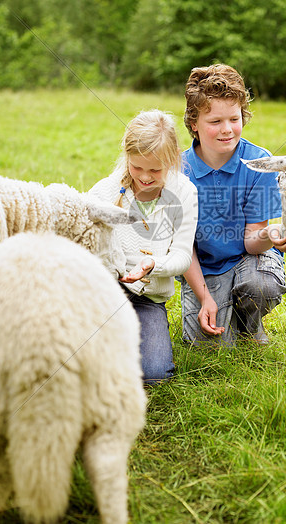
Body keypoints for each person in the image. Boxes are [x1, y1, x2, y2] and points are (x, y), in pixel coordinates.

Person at [180, 64, 286, 347]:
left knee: (261, 286)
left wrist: (272, 236)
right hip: (203, 267)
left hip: (249, 260)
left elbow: (251, 241)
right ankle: (220, 309)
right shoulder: (179, 171)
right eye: (215, 122)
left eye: (234, 119)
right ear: (194, 123)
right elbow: (183, 247)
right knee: (207, 344)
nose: (227, 130)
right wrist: (205, 298)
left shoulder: (258, 162)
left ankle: (250, 322)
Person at [90, 110, 198, 384]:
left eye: (155, 170)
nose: (145, 177)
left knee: (154, 375)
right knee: (92, 364)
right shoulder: (104, 192)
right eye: (137, 167)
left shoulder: (184, 192)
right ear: (127, 157)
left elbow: (183, 255)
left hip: (148, 298)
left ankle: (148, 334)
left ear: (173, 159)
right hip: (104, 292)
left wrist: (153, 265)